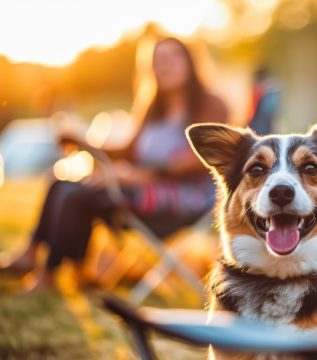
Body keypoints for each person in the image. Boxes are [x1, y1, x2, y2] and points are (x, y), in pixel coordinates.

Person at [0, 37, 228, 290]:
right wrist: (85, 144)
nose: (164, 66)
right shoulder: (153, 107)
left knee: (77, 194)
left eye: (172, 58)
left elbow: (200, 159)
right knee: (61, 184)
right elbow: (128, 152)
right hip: (141, 189)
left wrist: (139, 176)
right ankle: (34, 254)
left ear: (189, 62)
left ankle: (49, 274)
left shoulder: (212, 104)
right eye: (157, 61)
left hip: (185, 199)